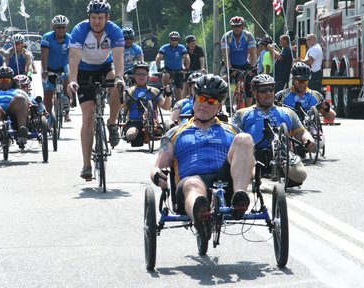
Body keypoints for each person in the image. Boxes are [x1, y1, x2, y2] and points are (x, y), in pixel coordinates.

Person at [150, 74, 255, 242]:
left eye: (211, 101)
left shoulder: (233, 130)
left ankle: (240, 200)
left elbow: (249, 160)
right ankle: (201, 218)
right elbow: (158, 165)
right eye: (201, 98)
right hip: (190, 183)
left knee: (245, 139)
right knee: (193, 185)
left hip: (226, 183)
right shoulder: (173, 133)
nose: (205, 104)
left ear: (219, 106)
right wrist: (157, 174)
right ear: (193, 100)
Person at [67, 0, 125, 181]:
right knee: (89, 117)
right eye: (93, 17)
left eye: (100, 17)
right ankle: (86, 164)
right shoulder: (80, 30)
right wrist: (73, 81)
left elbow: (118, 58)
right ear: (89, 17)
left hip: (104, 67)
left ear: (107, 17)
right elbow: (73, 60)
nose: (97, 21)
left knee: (117, 84)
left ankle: (112, 123)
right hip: (84, 71)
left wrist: (119, 78)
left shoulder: (114, 31)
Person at [232, 74, 313, 187]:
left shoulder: (288, 112)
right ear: (254, 93)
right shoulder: (242, 113)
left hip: (282, 153)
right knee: (248, 168)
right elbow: (233, 136)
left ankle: (284, 173)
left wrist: (308, 140)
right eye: (264, 90)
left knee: (300, 175)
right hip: (253, 153)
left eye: (271, 89)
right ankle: (253, 175)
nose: (268, 93)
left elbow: (301, 132)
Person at [122, 61, 171, 146]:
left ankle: (147, 133)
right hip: (134, 122)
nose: (141, 76)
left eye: (144, 74)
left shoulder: (154, 91)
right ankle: (140, 134)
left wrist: (168, 94)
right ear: (134, 76)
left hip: (152, 122)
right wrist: (120, 94)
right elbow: (120, 106)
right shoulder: (129, 91)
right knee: (131, 135)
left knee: (161, 131)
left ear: (148, 75)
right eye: (138, 74)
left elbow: (166, 107)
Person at [220, 16, 257, 106]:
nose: (236, 28)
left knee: (250, 84)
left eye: (239, 26)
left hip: (244, 63)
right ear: (231, 27)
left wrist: (253, 67)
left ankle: (249, 107)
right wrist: (229, 68)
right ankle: (227, 100)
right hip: (231, 63)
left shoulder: (248, 36)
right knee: (227, 80)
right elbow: (226, 55)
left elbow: (253, 53)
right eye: (234, 26)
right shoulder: (226, 37)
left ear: (242, 26)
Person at [41, 15, 72, 122]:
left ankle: (66, 112)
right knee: (48, 94)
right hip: (48, 67)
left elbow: (72, 56)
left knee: (67, 86)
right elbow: (44, 54)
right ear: (54, 28)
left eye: (63, 28)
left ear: (66, 29)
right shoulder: (47, 37)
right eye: (58, 27)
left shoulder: (70, 38)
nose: (61, 30)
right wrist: (45, 70)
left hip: (63, 67)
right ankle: (49, 116)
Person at [156, 31, 190, 101]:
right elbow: (158, 57)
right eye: (173, 40)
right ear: (170, 40)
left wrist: (187, 68)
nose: (174, 41)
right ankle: (166, 90)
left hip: (179, 70)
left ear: (178, 40)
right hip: (168, 69)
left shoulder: (181, 47)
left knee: (178, 90)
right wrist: (159, 68)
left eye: (176, 40)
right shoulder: (165, 47)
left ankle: (177, 105)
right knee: (165, 76)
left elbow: (187, 57)